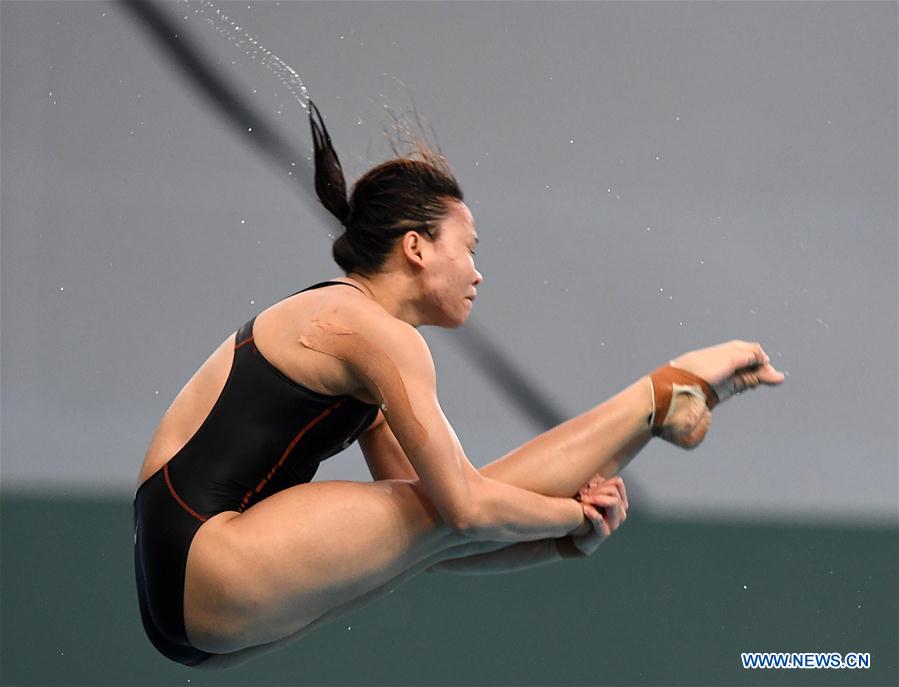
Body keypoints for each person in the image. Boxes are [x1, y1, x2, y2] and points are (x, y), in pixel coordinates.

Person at [133, 102, 785, 669]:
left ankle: (661, 400)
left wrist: (558, 543)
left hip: (189, 599)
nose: (477, 273)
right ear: (416, 248)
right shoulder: (370, 331)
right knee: (442, 509)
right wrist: (569, 511)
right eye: (467, 248)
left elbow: (442, 540)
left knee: (415, 540)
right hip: (206, 552)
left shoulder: (361, 342)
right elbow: (468, 509)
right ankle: (662, 393)